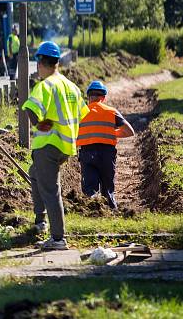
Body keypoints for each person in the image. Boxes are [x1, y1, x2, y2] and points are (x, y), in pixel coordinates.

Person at [21, 41, 89, 250]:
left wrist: (38, 123)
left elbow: (30, 109)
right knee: (34, 174)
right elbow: (83, 114)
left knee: (50, 190)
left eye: (37, 63)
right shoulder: (71, 87)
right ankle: (41, 221)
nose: (37, 68)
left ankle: (58, 239)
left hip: (47, 145)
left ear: (42, 62)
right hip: (65, 146)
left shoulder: (45, 85)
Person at [76, 80, 135, 209]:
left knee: (90, 191)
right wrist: (112, 133)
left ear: (88, 97)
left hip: (87, 153)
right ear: (103, 97)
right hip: (107, 155)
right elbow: (130, 131)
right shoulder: (111, 112)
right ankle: (112, 213)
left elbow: (71, 133)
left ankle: (91, 214)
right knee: (108, 191)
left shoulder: (80, 113)